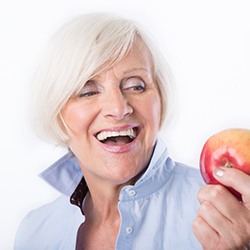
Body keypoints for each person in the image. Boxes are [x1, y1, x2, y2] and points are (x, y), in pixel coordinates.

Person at [14, 12, 250, 250]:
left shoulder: (230, 213)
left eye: (136, 86)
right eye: (87, 91)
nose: (118, 108)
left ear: (160, 100)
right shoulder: (34, 232)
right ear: (58, 114)